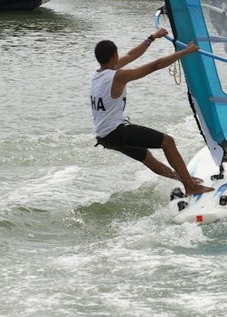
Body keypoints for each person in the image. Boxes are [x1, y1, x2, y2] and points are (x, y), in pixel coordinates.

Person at [90, 28, 212, 195]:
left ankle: (185, 179)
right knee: (167, 142)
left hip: (104, 137)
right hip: (116, 132)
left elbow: (132, 55)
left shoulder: (98, 74)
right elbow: (155, 65)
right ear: (114, 56)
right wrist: (186, 52)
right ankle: (191, 187)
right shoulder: (118, 76)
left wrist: (152, 37)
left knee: (148, 158)